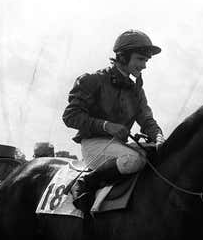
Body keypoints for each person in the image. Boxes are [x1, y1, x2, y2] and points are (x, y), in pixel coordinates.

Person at [63, 29, 164, 212]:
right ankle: (87, 183)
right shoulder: (92, 80)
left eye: (146, 61)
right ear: (123, 56)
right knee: (134, 160)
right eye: (140, 59)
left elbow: (147, 119)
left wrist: (158, 137)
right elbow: (70, 116)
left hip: (119, 146)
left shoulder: (137, 91)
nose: (144, 66)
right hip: (94, 145)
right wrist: (106, 126)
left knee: (157, 158)